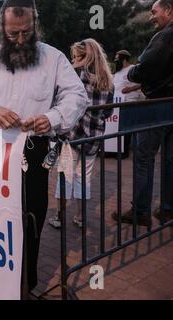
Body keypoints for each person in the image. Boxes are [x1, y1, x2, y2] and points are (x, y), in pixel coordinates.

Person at [0, 0, 87, 293]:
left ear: (35, 24)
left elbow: (76, 96)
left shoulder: (54, 58)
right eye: (12, 33)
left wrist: (52, 118)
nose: (18, 40)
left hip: (33, 151)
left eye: (25, 33)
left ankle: (23, 283)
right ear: (2, 27)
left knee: (30, 217)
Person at [112, 0, 173, 225]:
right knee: (169, 160)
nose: (150, 17)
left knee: (143, 158)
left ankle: (140, 211)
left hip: (158, 106)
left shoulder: (164, 37)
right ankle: (167, 209)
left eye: (154, 12)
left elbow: (143, 69)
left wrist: (133, 71)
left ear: (168, 10)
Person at [48, 39, 114, 229]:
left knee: (65, 176)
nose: (74, 60)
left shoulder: (75, 75)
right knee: (83, 178)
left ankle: (60, 217)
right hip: (93, 136)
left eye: (77, 57)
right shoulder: (107, 80)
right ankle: (80, 217)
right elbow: (108, 112)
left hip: (72, 134)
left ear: (85, 57)